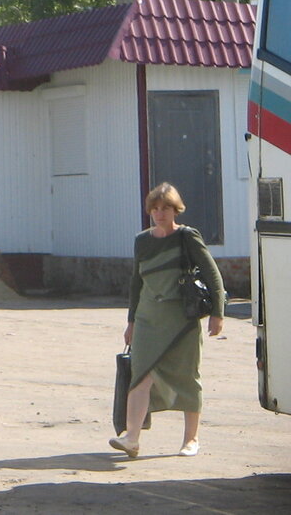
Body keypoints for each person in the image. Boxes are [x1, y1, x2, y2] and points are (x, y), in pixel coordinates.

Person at [109, 182, 225, 458]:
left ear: (176, 210)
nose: (160, 214)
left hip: (181, 318)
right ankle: (132, 438)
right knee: (141, 376)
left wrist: (218, 313)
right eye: (156, 209)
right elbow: (136, 283)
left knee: (187, 376)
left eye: (166, 208)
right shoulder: (142, 241)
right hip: (148, 318)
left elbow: (212, 275)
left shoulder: (187, 237)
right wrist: (132, 321)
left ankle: (191, 439)